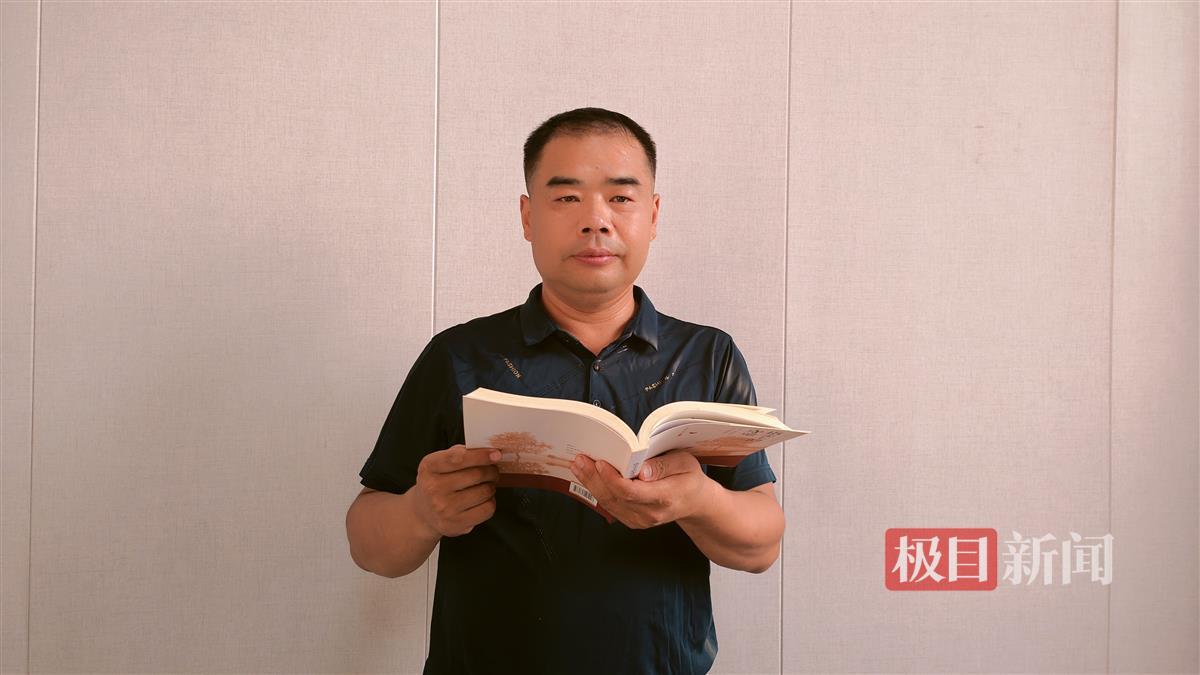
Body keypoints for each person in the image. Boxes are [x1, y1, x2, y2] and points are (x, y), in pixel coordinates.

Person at [345, 107, 785, 675]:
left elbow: (762, 545)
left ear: (653, 215)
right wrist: (422, 511)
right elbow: (368, 544)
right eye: (567, 197)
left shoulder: (707, 356)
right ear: (528, 217)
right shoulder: (459, 356)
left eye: (620, 198)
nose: (595, 220)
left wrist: (698, 500)